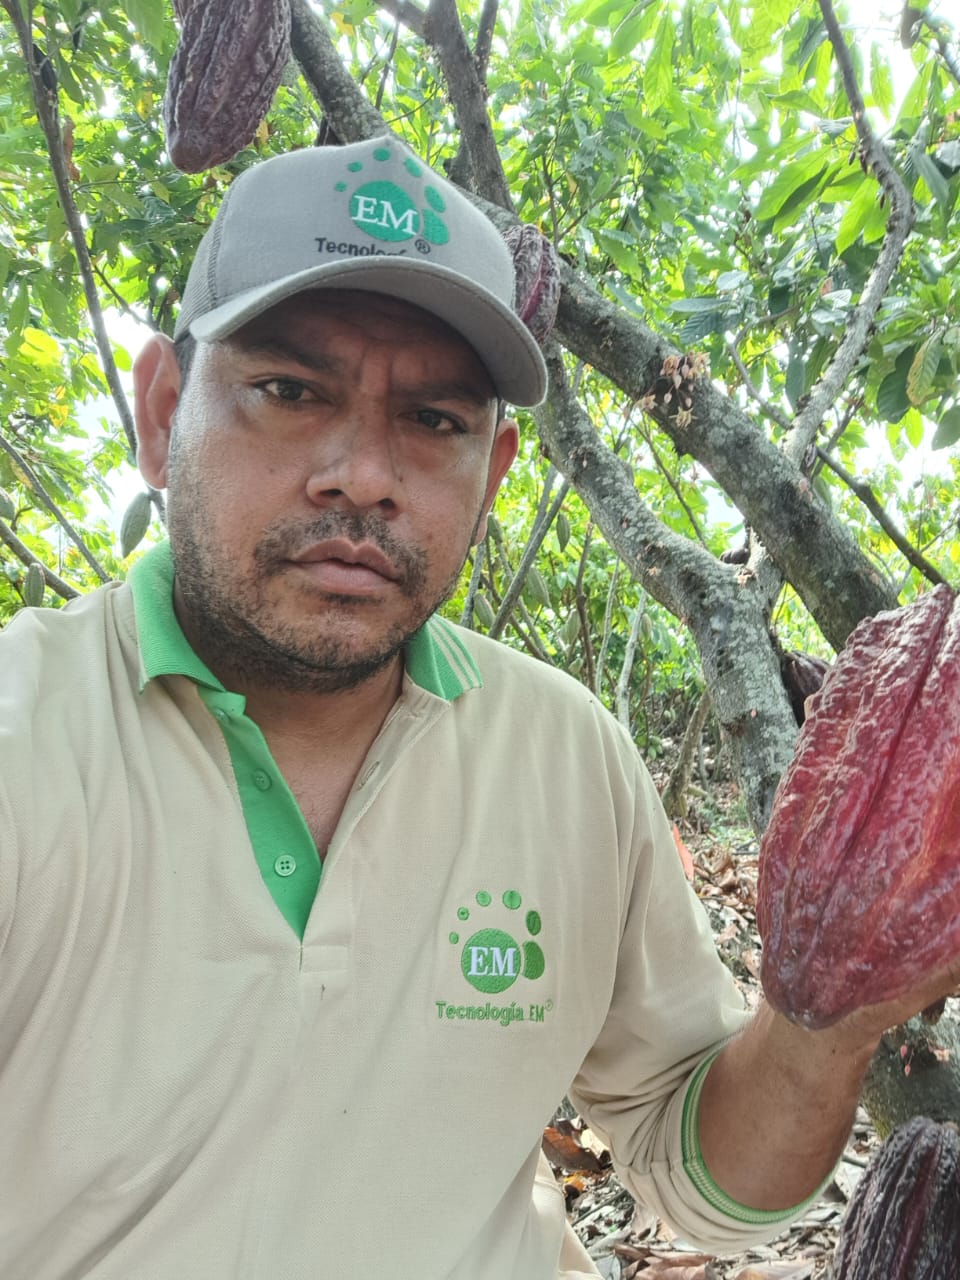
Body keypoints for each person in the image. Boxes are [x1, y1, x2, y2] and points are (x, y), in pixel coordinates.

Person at [1, 134, 957, 1280]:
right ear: (162, 413)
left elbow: (702, 1173)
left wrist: (837, 1013)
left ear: (496, 472)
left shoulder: (565, 754)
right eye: (290, 390)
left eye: (435, 420)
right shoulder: (27, 736)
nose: (364, 473)